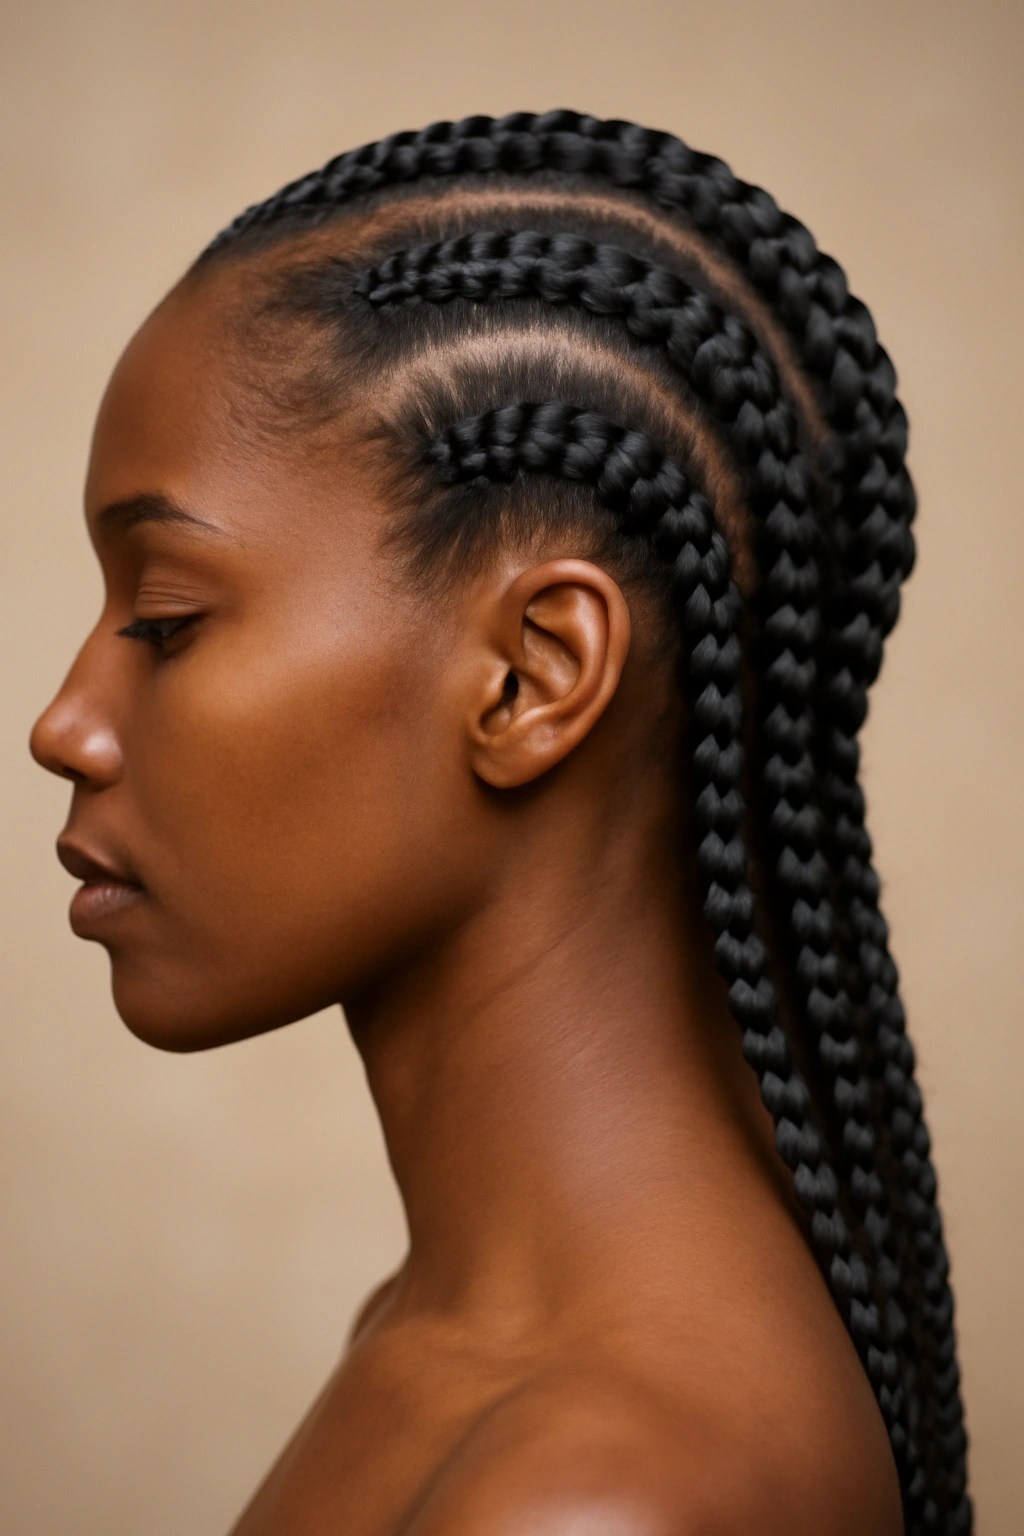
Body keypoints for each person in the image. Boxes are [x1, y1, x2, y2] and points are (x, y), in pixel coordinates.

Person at [30, 111, 969, 1535]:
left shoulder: (601, 1498)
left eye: (165, 620)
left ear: (532, 676)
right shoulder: (437, 1335)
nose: (65, 725)